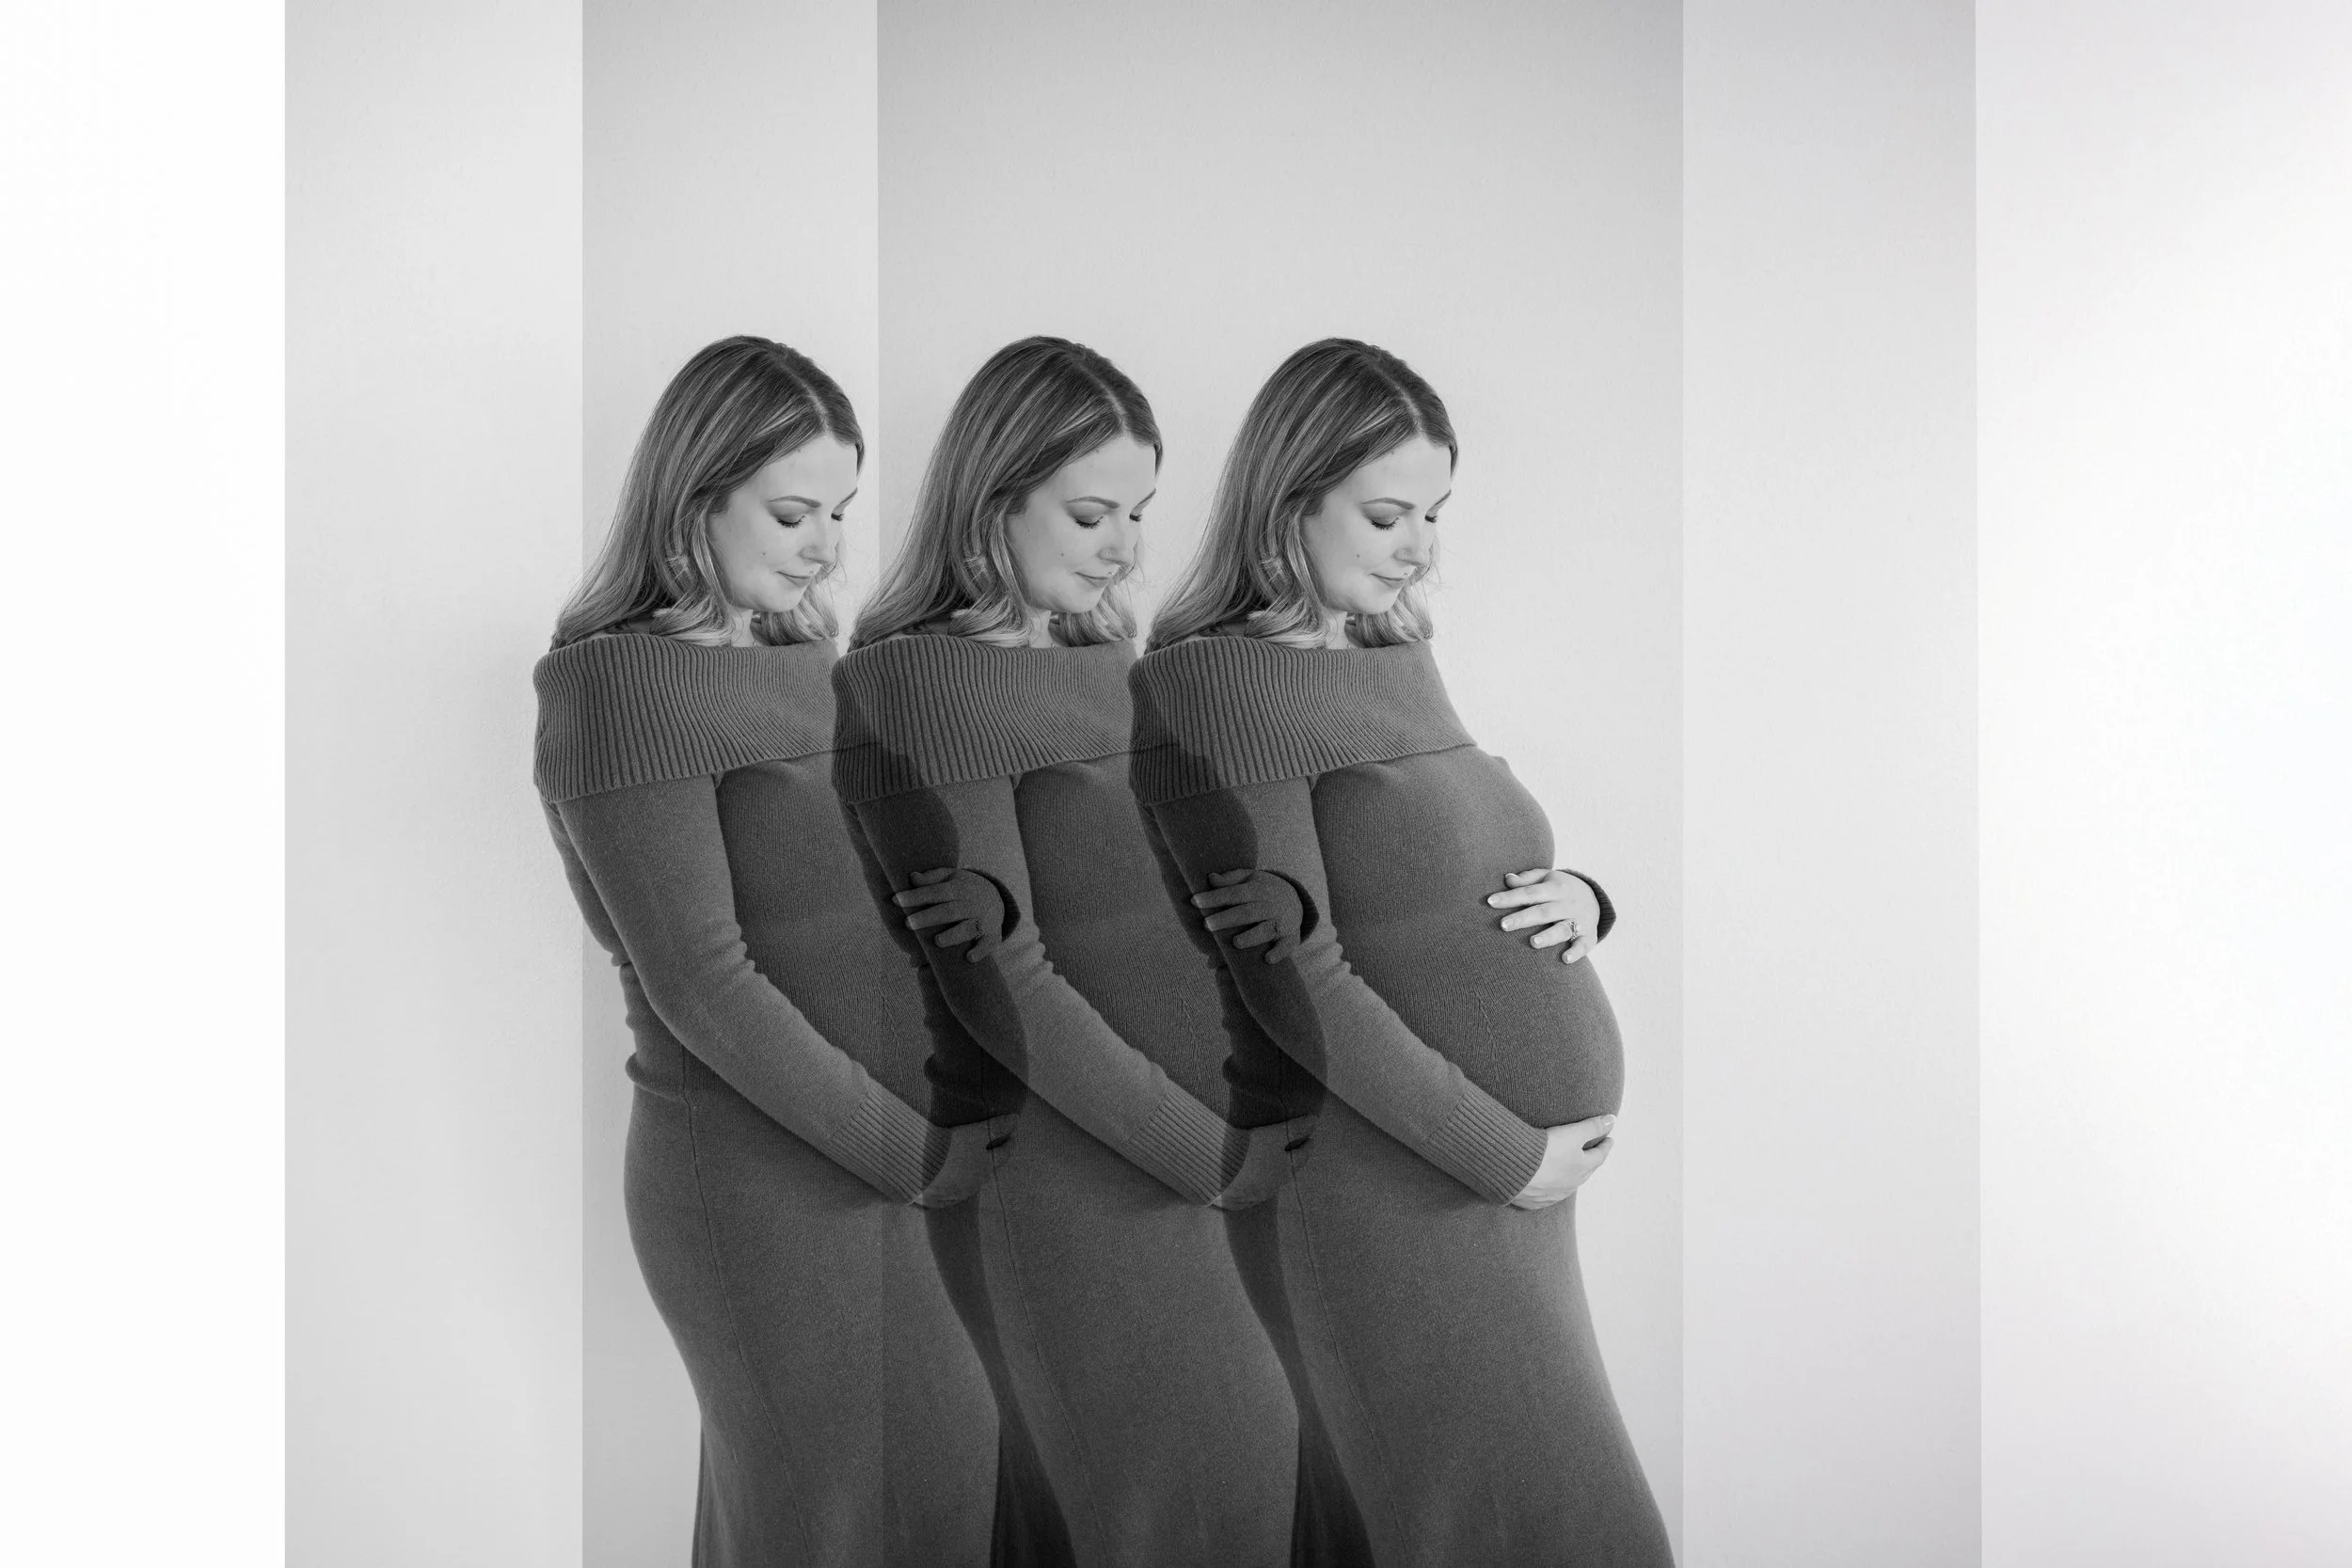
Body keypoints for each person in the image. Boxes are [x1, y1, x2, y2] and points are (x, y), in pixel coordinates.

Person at [1133, 338, 1674, 1566]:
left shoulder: (1390, 655)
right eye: (1388, 514)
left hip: (1500, 1196)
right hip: (1391, 1191)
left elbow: (1447, 866)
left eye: (1434, 512)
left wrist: (1584, 896)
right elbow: (1291, 978)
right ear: (1289, 500)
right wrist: (1507, 1151)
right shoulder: (1208, 686)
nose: (1421, 546)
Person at [834, 338, 1304, 1567]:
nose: (1126, 546)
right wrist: (1204, 1147)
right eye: (1093, 512)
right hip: (1074, 1178)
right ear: (994, 505)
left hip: (1201, 1171)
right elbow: (996, 976)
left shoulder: (1112, 668)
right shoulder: (923, 681)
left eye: (1140, 512)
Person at [532, 336, 997, 1567]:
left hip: (895, 1150)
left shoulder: (808, 666)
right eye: (796, 512)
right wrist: (921, 1149)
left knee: (935, 1488)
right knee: (826, 1515)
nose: (829, 545)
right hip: (757, 1175)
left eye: (841, 511)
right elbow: (703, 984)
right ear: (696, 502)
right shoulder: (620, 684)